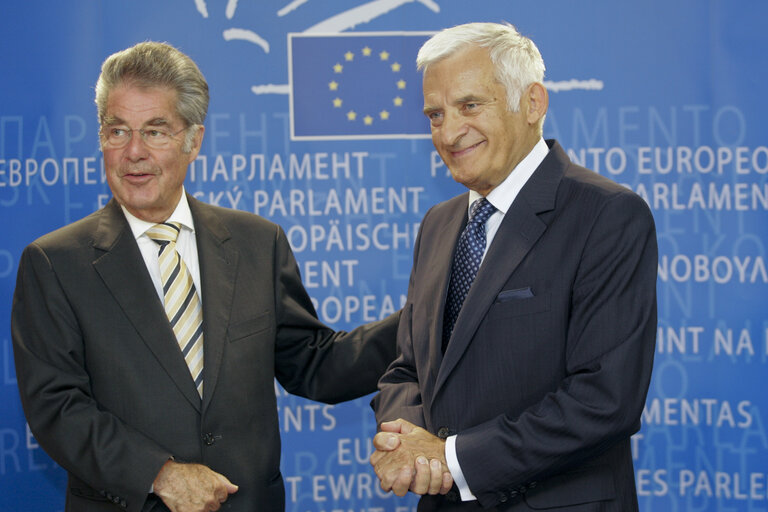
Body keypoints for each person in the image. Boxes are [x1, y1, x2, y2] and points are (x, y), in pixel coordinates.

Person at [11, 41, 398, 512]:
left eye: (155, 131)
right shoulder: (55, 263)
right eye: (117, 131)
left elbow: (313, 365)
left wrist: (423, 320)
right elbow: (56, 408)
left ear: (194, 140)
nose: (133, 152)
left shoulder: (258, 242)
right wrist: (159, 474)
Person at [370, 22, 657, 511]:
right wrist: (403, 440)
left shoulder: (606, 214)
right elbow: (408, 368)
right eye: (435, 114)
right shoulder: (438, 225)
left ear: (533, 103)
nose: (449, 131)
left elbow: (603, 399)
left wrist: (451, 458)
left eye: (469, 106)